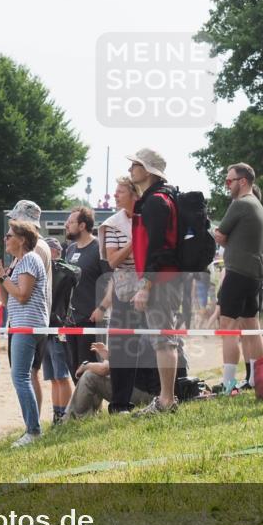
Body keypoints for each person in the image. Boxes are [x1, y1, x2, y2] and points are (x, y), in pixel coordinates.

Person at [128, 148, 184, 415]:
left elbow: (159, 248)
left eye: (135, 165)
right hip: (163, 278)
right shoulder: (156, 199)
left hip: (161, 280)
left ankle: (166, 400)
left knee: (164, 340)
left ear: (148, 171)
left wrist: (146, 286)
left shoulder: (156, 202)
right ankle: (166, 398)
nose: (131, 170)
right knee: (163, 338)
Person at [0, 219, 48, 446]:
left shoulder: (30, 259)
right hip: (22, 323)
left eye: (10, 235)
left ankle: (33, 430)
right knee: (23, 376)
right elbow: (6, 299)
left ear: (22, 240)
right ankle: (32, 429)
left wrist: (1, 276)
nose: (5, 239)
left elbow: (22, 295)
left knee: (20, 377)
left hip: (28, 325)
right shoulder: (19, 262)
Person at [213, 163, 263, 393]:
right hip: (254, 273)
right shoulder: (257, 205)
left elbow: (220, 235)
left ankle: (228, 383)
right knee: (251, 325)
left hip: (237, 272)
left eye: (229, 181)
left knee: (228, 327)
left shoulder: (240, 204)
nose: (227, 186)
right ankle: (255, 378)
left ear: (242, 181)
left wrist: (214, 232)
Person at [100, 176, 145, 413]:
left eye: (120, 192)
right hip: (124, 287)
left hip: (151, 284)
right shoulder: (113, 224)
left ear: (135, 194)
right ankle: (120, 403)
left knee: (153, 342)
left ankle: (158, 394)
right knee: (120, 346)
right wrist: (134, 243)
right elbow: (113, 260)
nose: (115, 195)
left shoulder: (149, 217)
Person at [63, 206, 104, 380]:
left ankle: (90, 408)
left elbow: (111, 279)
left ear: (82, 226)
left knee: (88, 368)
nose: (66, 225)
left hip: (90, 318)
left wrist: (102, 308)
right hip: (71, 319)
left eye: (71, 222)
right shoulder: (70, 249)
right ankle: (81, 407)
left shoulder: (99, 248)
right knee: (74, 369)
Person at [40, 238, 74, 424]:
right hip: (46, 327)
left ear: (54, 252)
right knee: (53, 377)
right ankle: (57, 415)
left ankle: (65, 415)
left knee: (61, 375)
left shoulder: (64, 271)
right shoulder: (46, 271)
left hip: (59, 325)